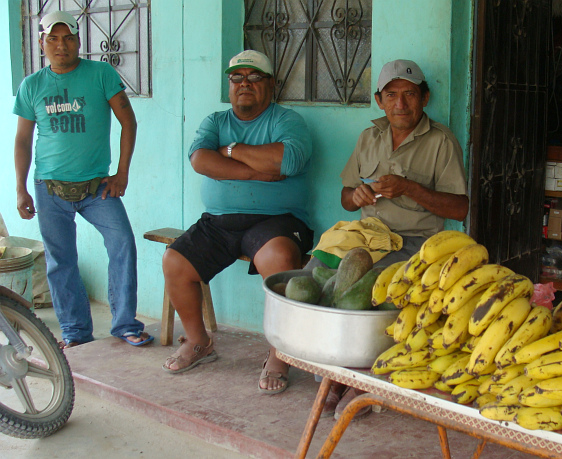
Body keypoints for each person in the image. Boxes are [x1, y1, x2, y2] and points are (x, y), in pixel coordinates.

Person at [160, 50, 313, 395]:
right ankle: (199, 342)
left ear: (271, 85)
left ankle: (279, 354)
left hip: (276, 220)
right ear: (229, 85)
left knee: (279, 261)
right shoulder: (215, 122)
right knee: (175, 260)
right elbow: (200, 160)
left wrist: (230, 151)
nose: (245, 84)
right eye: (237, 78)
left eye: (255, 77)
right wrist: (255, 172)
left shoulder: (287, 121)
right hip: (218, 221)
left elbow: (286, 160)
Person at [324, 59, 469, 419]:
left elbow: (460, 209)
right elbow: (345, 194)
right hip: (365, 236)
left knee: (368, 292)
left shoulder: (441, 142)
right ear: (379, 100)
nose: (400, 104)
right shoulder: (368, 137)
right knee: (319, 277)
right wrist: (354, 196)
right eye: (392, 95)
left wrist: (409, 188)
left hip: (414, 242)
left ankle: (360, 381)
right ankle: (336, 370)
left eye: (409, 95)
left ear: (425, 98)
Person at [13, 11, 150, 348]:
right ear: (42, 42)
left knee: (122, 244)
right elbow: (21, 140)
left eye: (69, 38)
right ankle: (76, 333)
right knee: (61, 261)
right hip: (50, 189)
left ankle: (124, 324)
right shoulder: (32, 86)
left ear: (78, 40)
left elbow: (128, 122)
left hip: (97, 188)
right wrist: (20, 188)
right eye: (53, 39)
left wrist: (122, 173)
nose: (62, 45)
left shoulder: (101, 74)